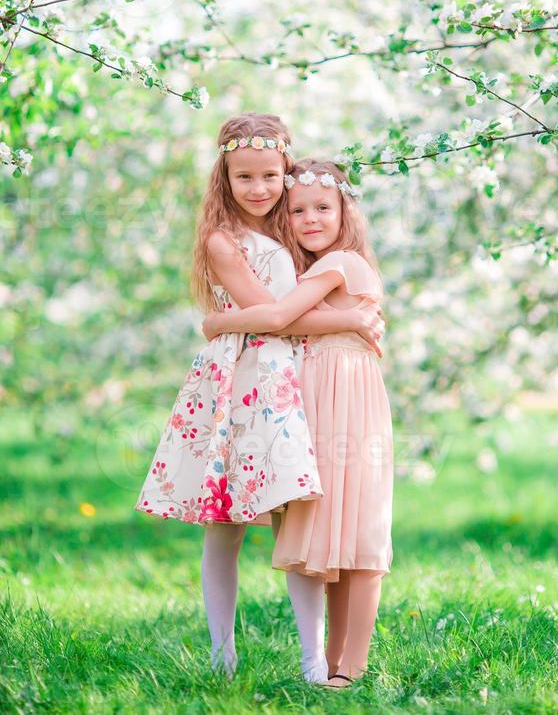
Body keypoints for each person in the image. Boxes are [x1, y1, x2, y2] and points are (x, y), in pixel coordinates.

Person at [134, 117, 382, 681]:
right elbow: (275, 317)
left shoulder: (294, 230)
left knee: (298, 514)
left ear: (286, 172)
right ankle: (223, 653)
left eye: (271, 175)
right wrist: (347, 319)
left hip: (294, 382)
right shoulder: (224, 240)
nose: (259, 188)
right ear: (224, 176)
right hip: (243, 382)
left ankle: (313, 658)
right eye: (244, 176)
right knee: (226, 523)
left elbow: (294, 311)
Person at [202, 158, 393, 689]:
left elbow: (282, 315)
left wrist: (217, 322)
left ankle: (346, 668)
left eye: (322, 208)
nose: (309, 219)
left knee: (356, 529)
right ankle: (332, 668)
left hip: (345, 401)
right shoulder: (307, 262)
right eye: (298, 209)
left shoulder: (342, 262)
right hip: (316, 398)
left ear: (344, 211)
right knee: (331, 530)